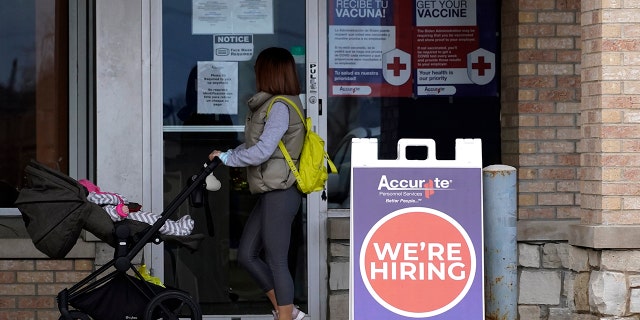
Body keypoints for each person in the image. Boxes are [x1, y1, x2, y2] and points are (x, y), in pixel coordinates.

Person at [208, 47, 306, 320]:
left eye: (258, 69)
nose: (255, 75)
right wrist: (226, 155)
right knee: (247, 255)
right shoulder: (270, 104)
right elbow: (255, 146)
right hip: (270, 191)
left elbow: (263, 151)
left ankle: (285, 316)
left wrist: (229, 158)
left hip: (282, 192)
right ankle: (291, 312)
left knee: (276, 260)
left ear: (269, 72)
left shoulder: (281, 107)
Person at [78, 179, 195, 236]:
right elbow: (106, 214)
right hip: (128, 220)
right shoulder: (97, 204)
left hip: (130, 216)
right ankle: (180, 230)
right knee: (155, 221)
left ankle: (175, 225)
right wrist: (119, 211)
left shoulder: (96, 204)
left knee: (154, 218)